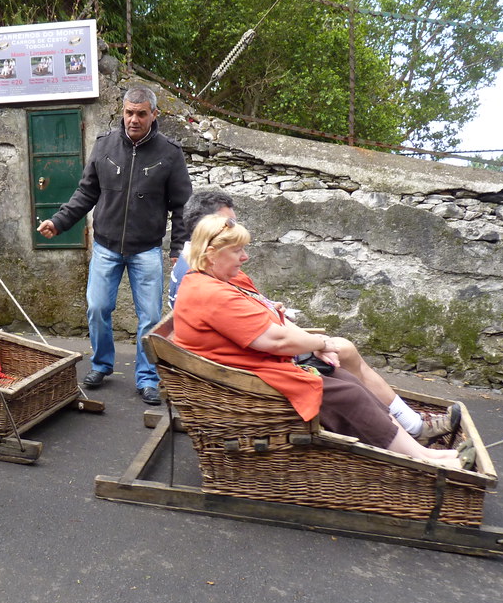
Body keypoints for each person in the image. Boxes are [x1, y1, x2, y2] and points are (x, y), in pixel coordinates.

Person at [173, 215, 464, 469]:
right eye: (237, 250)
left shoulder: (222, 280)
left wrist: (313, 344)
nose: (245, 256)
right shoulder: (211, 293)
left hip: (259, 367)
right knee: (349, 395)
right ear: (211, 254)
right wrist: (320, 343)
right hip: (246, 380)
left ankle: (418, 449)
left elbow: (273, 323)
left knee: (347, 381)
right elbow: (274, 340)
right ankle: (421, 458)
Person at [37, 85, 192, 405]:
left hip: (146, 249)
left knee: (150, 317)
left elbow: (182, 207)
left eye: (141, 114)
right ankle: (102, 364)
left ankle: (148, 377)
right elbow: (85, 194)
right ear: (122, 112)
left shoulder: (170, 154)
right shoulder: (104, 146)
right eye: (129, 112)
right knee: (97, 308)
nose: (134, 119)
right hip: (106, 246)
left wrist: (178, 250)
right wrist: (59, 221)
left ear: (154, 115)